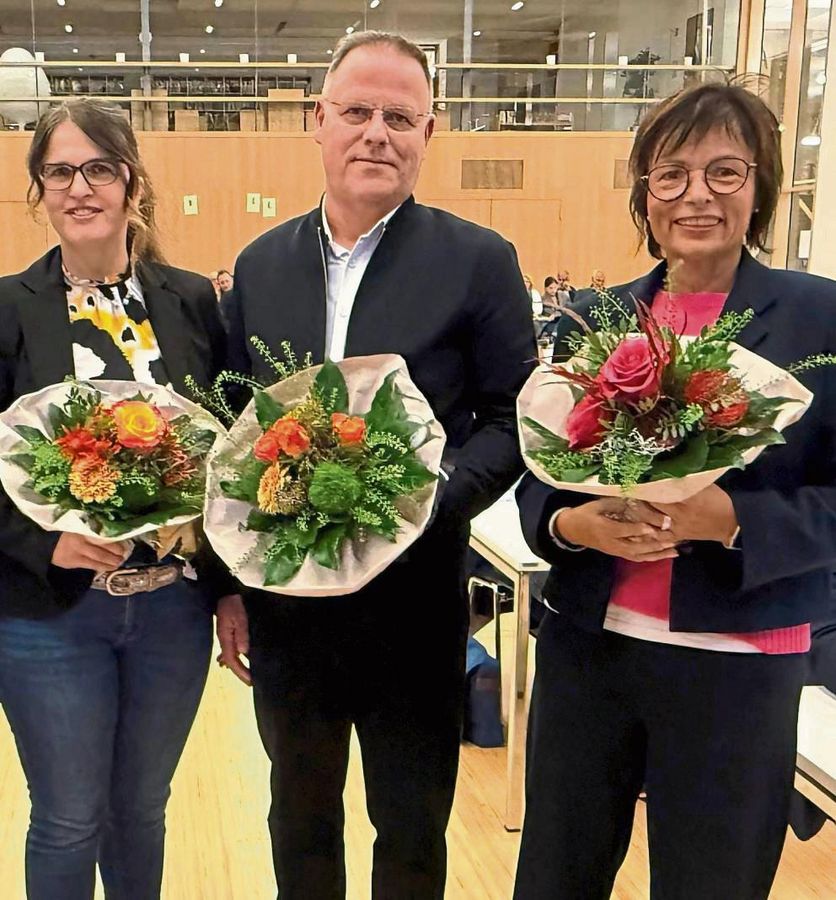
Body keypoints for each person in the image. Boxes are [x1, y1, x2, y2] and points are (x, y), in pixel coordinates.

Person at [220, 30, 535, 900]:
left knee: (411, 824)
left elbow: (513, 417)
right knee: (299, 816)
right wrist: (227, 585)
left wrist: (431, 501)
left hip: (416, 603)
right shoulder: (259, 265)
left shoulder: (480, 260)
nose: (376, 133)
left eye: (400, 117)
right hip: (289, 609)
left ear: (428, 132)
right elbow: (230, 431)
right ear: (317, 120)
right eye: (357, 111)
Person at [515, 82, 836, 900]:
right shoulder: (599, 319)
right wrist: (575, 526)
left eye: (725, 172)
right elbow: (540, 475)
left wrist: (734, 519)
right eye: (672, 175)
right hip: (590, 648)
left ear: (760, 187)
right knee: (555, 875)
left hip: (737, 661)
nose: (697, 194)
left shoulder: (819, 317)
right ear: (645, 195)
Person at [0, 98, 238, 900]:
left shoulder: (192, 301)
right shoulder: (7, 308)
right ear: (39, 189)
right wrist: (46, 542)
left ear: (132, 182)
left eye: (99, 168)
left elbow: (226, 456)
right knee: (68, 818)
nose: (80, 187)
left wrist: (228, 590)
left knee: (140, 812)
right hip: (50, 615)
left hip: (172, 611)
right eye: (60, 172)